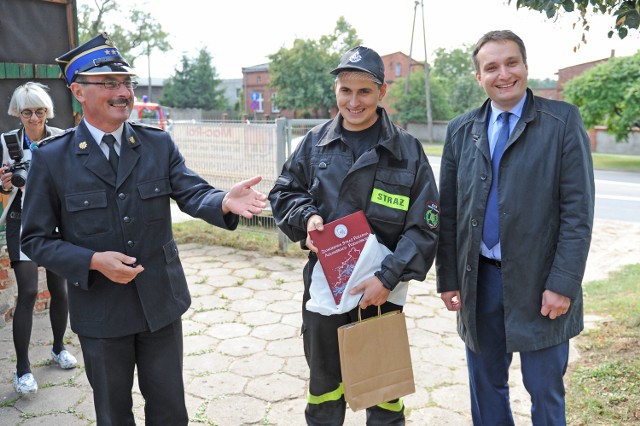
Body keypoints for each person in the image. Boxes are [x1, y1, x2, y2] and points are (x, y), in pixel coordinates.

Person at [20, 32, 267, 425]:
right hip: (101, 312)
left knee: (170, 412)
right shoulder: (52, 159)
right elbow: (34, 240)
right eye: (109, 84)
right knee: (114, 415)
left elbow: (192, 191)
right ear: (78, 92)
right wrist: (93, 260)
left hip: (160, 305)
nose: (123, 92)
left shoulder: (156, 144)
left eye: (126, 83)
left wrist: (221, 200)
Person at [268, 46, 439, 425]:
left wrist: (387, 277)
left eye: (364, 91)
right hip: (326, 293)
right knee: (325, 390)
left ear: (381, 93)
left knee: (384, 397)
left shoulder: (406, 151)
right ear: (336, 92)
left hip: (381, 296)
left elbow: (424, 226)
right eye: (346, 90)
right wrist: (306, 217)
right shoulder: (315, 144)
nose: (354, 101)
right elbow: (283, 192)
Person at [436, 30, 595, 425]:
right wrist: (449, 277)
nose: (503, 74)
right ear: (478, 77)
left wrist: (563, 284)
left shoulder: (562, 122)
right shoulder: (460, 131)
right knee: (486, 387)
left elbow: (578, 213)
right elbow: (450, 212)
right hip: (480, 283)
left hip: (542, 285)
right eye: (491, 67)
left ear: (525, 67)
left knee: (544, 390)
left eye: (511, 63)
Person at [1, 82, 78, 394]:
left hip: (56, 223)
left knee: (60, 289)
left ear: (48, 111)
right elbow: (4, 191)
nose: (34, 118)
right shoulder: (6, 142)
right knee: (29, 291)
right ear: (17, 113)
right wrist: (5, 184)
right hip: (22, 220)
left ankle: (58, 348)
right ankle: (22, 369)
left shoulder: (62, 138)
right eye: (27, 112)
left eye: (40, 111)